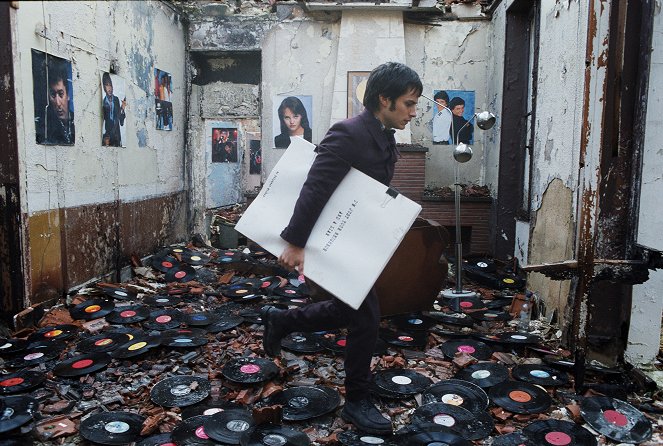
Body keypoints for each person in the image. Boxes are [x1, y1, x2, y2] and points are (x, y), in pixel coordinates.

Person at [261, 62, 422, 435]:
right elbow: (315, 187)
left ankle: (281, 319)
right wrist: (296, 243)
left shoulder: (383, 134)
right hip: (324, 240)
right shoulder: (348, 133)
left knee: (346, 309)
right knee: (366, 315)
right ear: (385, 99)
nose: (413, 112)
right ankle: (357, 401)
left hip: (354, 241)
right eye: (409, 103)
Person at [38, 58, 75, 145]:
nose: (58, 103)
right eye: (53, 95)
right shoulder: (46, 128)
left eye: (61, 94)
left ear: (68, 94)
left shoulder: (75, 120)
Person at [101, 72, 126, 147]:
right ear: (104, 88)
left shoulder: (116, 100)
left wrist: (122, 109)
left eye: (110, 85)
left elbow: (121, 120)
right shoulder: (103, 102)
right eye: (107, 85)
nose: (109, 88)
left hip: (117, 136)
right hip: (107, 136)